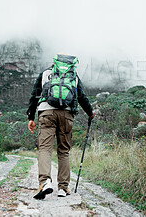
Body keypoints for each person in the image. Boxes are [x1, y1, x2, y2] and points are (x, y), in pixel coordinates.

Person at [27, 54, 95, 199]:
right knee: (63, 151)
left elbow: (35, 96)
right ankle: (63, 188)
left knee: (45, 148)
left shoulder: (45, 74)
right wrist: (90, 113)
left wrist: (30, 117)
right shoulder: (74, 78)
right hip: (66, 114)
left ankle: (45, 181)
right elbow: (82, 97)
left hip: (46, 112)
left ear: (55, 63)